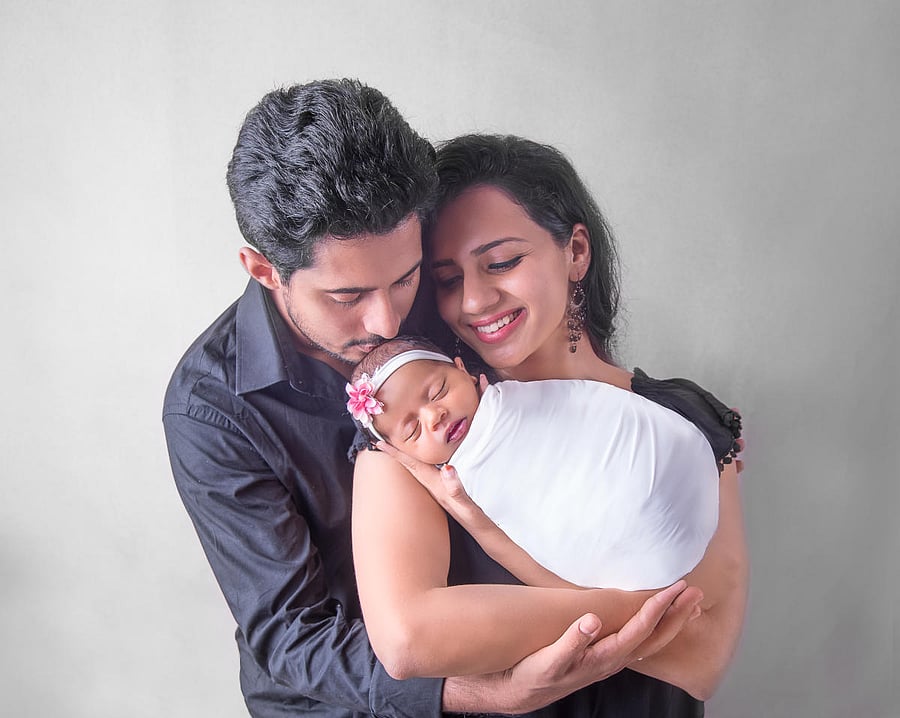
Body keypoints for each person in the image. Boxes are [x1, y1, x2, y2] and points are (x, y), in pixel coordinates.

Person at [163, 80, 704, 718]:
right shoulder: (211, 406)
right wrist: (481, 696)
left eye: (406, 277)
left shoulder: (450, 289)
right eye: (347, 296)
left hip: (510, 615)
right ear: (263, 270)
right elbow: (290, 633)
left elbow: (556, 378)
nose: (389, 319)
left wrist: (679, 419)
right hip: (356, 691)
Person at [352, 134, 749, 706]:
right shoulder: (414, 428)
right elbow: (411, 636)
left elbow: (699, 659)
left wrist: (547, 619)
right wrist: (647, 609)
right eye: (447, 280)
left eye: (502, 262)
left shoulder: (685, 417)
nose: (473, 300)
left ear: (576, 252)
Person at [347, 334, 736, 591]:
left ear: (462, 369)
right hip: (641, 561)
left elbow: (587, 412)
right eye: (413, 431)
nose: (435, 417)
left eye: (438, 391)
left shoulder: (521, 397)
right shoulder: (457, 483)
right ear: (403, 454)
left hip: (682, 475)